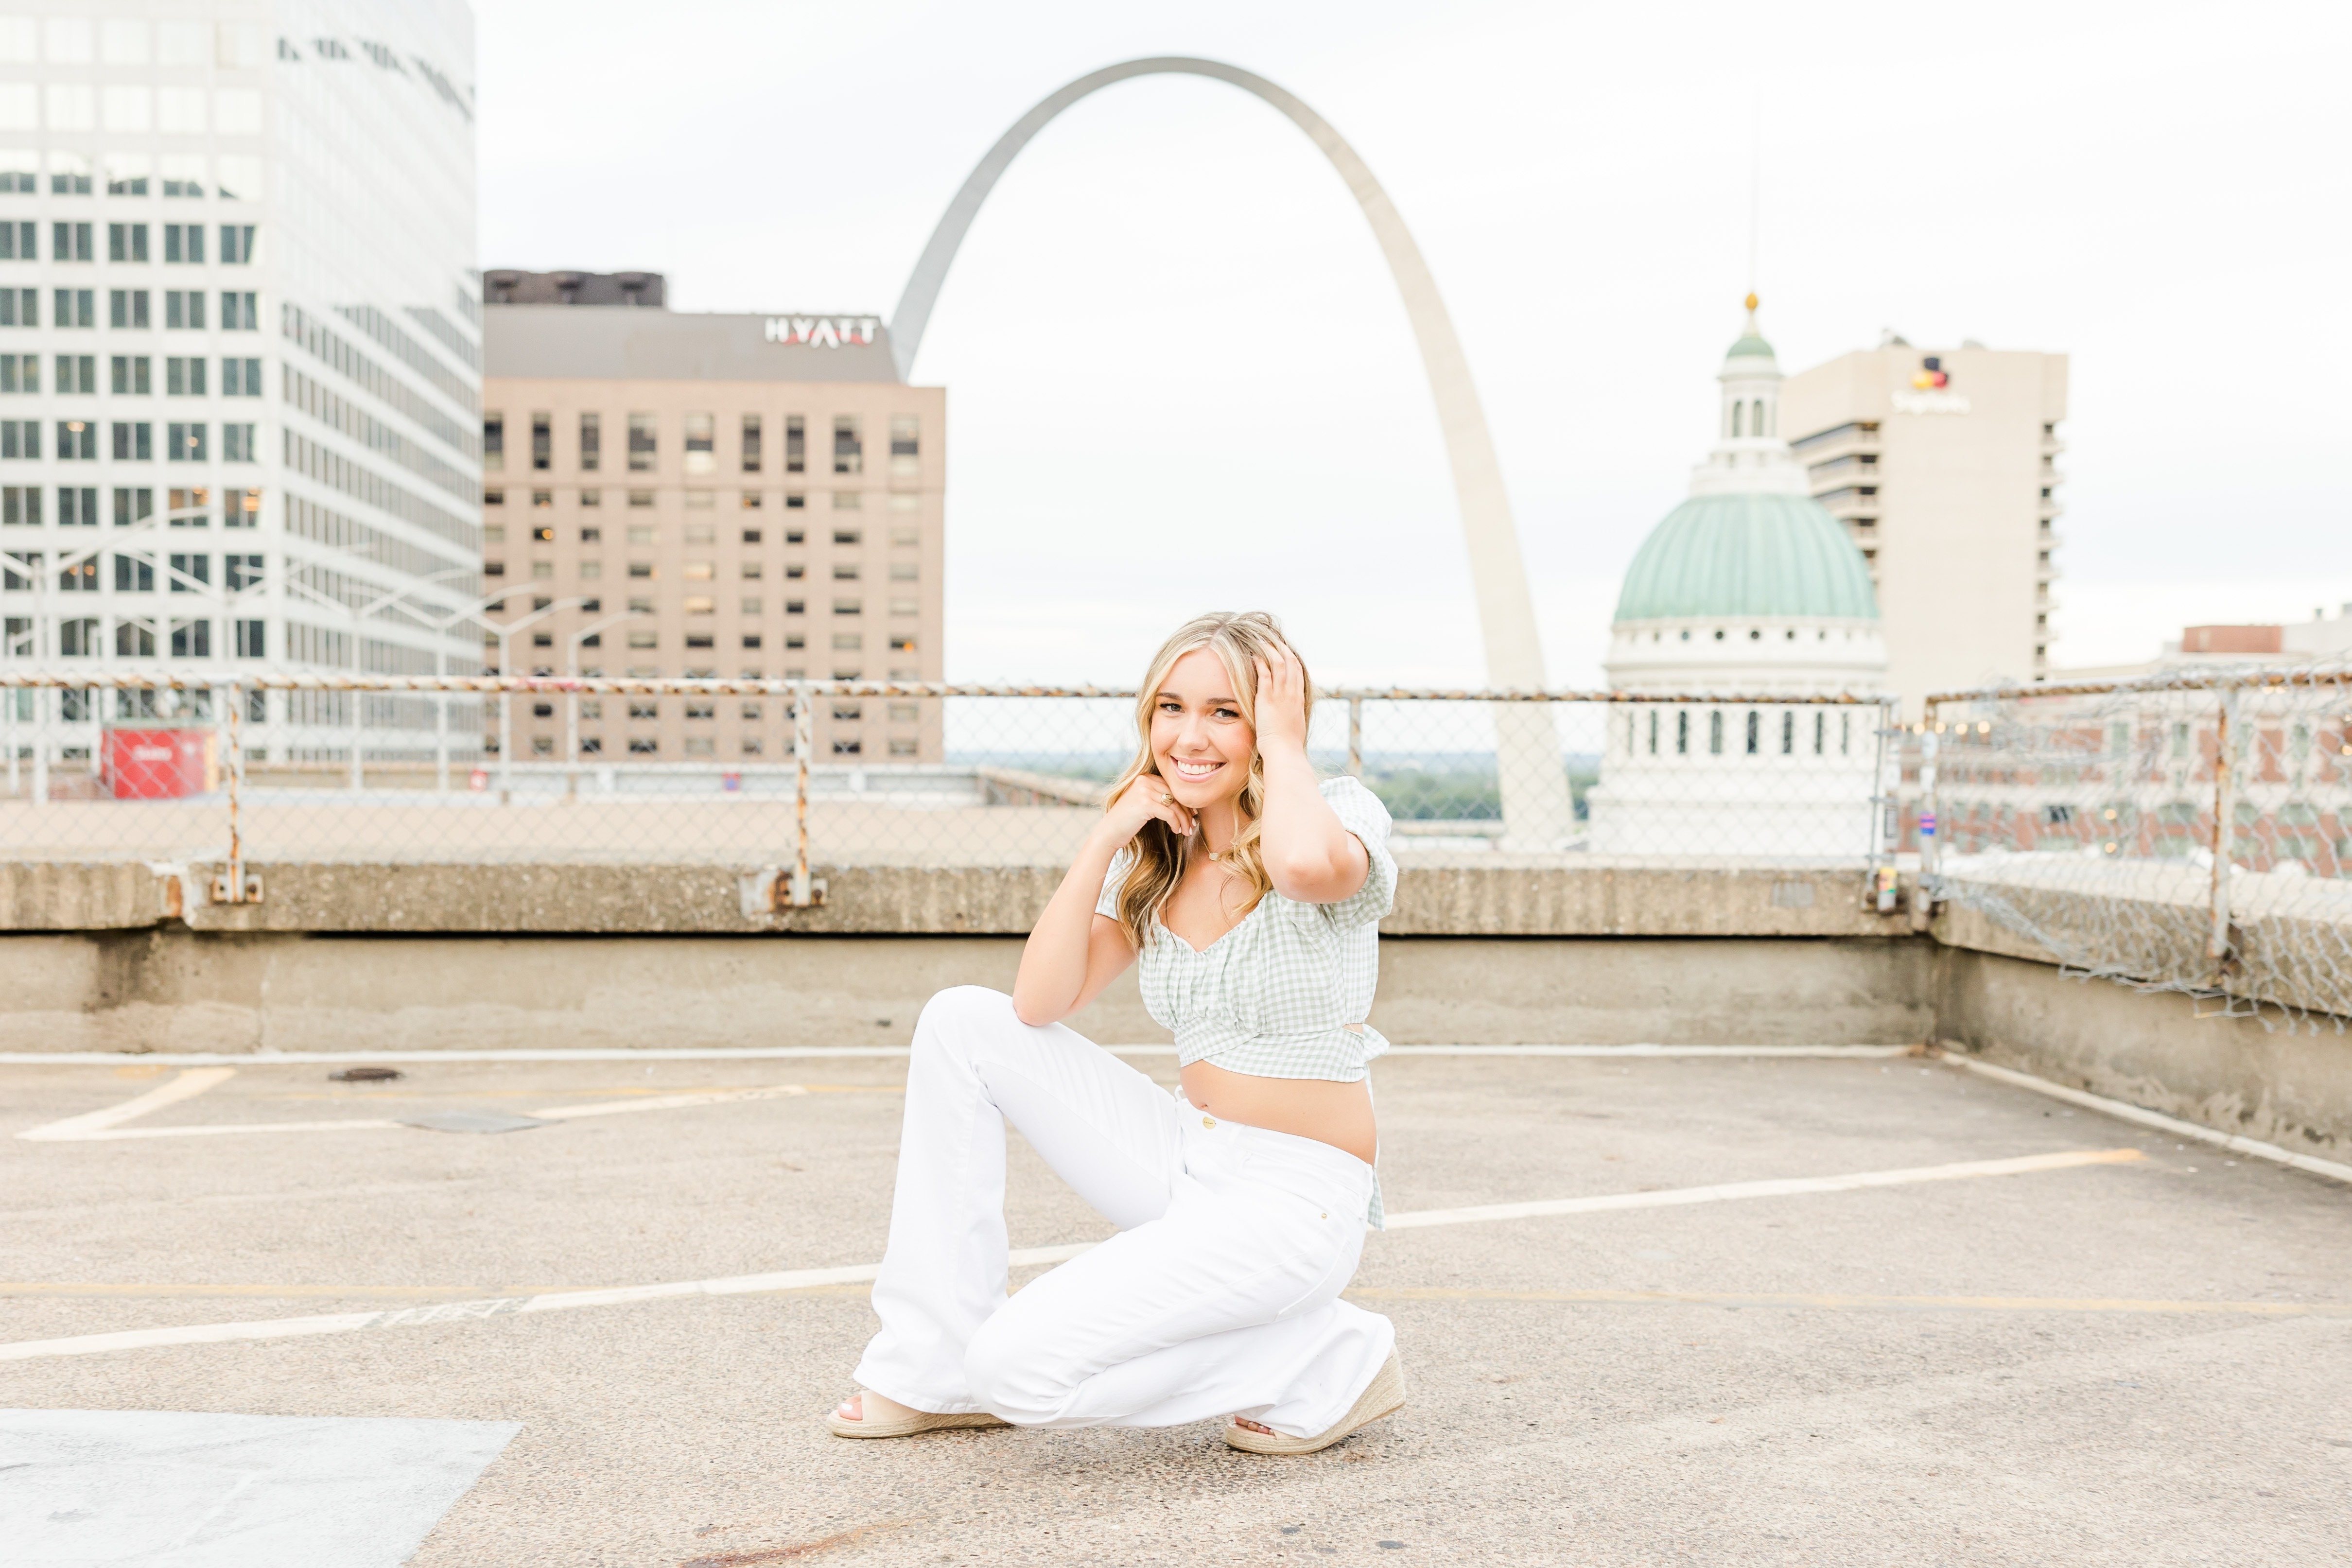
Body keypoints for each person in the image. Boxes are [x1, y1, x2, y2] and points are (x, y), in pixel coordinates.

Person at [827, 610, 1404, 1454]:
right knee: (962, 1019)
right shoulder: (1162, 864)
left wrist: (1286, 745)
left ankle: (1325, 1355)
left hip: (1294, 1201)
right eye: (1171, 707)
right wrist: (1106, 836)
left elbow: (1305, 871)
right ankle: (932, 1362)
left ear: (1271, 722)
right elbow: (1037, 1003)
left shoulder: (1337, 815)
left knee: (1017, 1373)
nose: (1190, 735)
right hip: (1187, 1155)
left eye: (1225, 711)